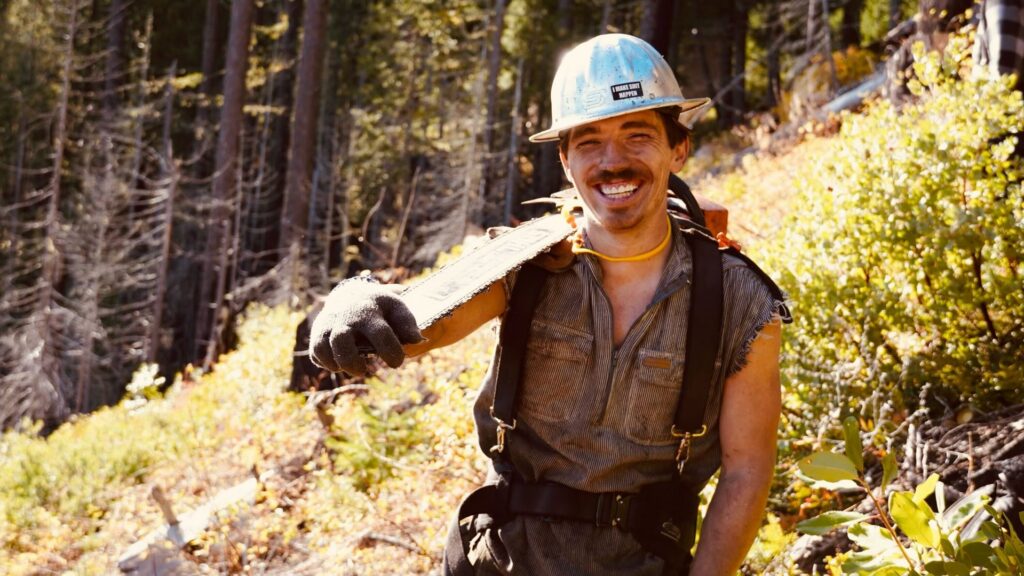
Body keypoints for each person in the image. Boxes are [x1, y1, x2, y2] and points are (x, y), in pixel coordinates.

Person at [309, 34, 790, 575]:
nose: (614, 162)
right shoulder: (525, 262)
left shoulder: (739, 300)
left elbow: (747, 470)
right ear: (564, 160)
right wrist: (355, 297)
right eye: (589, 142)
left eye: (638, 136)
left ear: (677, 148)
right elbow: (418, 325)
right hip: (501, 559)